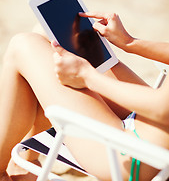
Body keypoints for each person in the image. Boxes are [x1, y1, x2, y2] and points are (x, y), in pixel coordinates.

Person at [0, 11, 169, 181]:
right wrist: (129, 42)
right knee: (49, 36)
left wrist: (88, 77)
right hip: (149, 124)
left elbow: (162, 109)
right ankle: (26, 161)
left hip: (136, 155)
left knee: (22, 45)